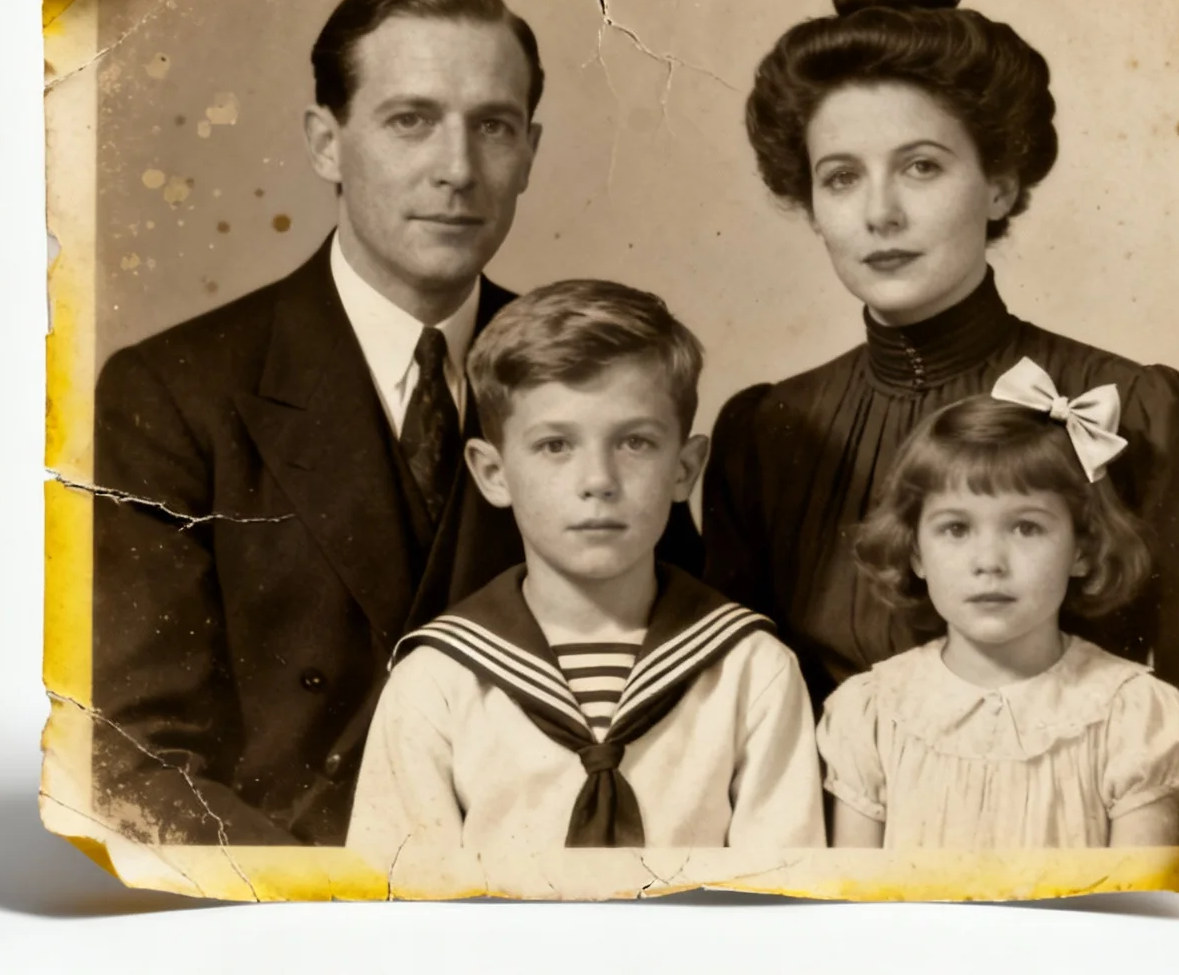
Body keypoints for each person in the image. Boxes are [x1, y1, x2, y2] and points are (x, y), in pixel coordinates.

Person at [91, 0, 698, 846]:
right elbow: (130, 755)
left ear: (528, 151)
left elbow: (677, 686)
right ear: (325, 143)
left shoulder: (602, 380)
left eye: (491, 127)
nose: (456, 170)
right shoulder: (172, 391)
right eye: (410, 121)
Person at [702, 0, 1179, 791]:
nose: (880, 212)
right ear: (811, 202)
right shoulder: (765, 432)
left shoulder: (1135, 406)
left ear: (999, 184)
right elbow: (737, 722)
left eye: (922, 166)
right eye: (841, 177)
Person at [347, 281, 824, 858]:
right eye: (555, 445)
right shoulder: (435, 683)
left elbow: (780, 904)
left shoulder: (752, 672)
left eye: (635, 443)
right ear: (492, 472)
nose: (598, 480)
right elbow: (398, 913)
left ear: (685, 467)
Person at [816, 369, 1179, 849]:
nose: (989, 563)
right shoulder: (871, 713)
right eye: (956, 529)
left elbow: (1139, 910)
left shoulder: (1133, 715)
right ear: (914, 551)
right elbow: (857, 910)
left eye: (1026, 528)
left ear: (1082, 549)